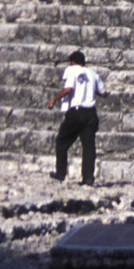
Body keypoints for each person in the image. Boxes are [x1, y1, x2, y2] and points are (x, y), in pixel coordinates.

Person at [50, 51, 107, 186]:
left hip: (76, 112)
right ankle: (88, 178)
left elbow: (68, 89)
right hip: (91, 113)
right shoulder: (93, 74)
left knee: (62, 141)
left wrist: (54, 99)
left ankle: (60, 173)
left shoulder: (71, 70)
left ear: (73, 62)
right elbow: (104, 93)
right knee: (88, 147)